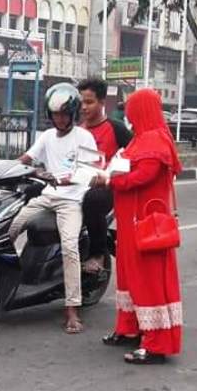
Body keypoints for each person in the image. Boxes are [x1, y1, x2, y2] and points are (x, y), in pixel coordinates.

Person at [91, 88, 183, 364]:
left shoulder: (156, 140)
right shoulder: (140, 139)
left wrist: (111, 181)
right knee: (129, 276)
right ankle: (130, 328)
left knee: (149, 281)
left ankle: (157, 343)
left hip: (147, 224)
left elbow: (144, 175)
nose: (128, 114)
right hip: (131, 223)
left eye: (131, 108)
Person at [8, 83, 97, 334]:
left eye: (64, 114)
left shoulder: (84, 137)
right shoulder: (46, 137)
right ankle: (6, 281)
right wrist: (3, 169)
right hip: (48, 196)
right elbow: (25, 159)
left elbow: (91, 169)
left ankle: (72, 309)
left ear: (73, 113)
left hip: (71, 200)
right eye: (55, 114)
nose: (59, 118)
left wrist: (68, 178)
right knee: (9, 228)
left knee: (69, 247)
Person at [77, 78, 132, 273]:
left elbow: (136, 153)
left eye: (89, 102)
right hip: (76, 185)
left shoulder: (116, 128)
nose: (84, 107)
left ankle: (97, 254)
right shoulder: (76, 130)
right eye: (81, 102)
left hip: (105, 188)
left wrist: (112, 176)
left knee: (93, 200)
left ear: (102, 102)